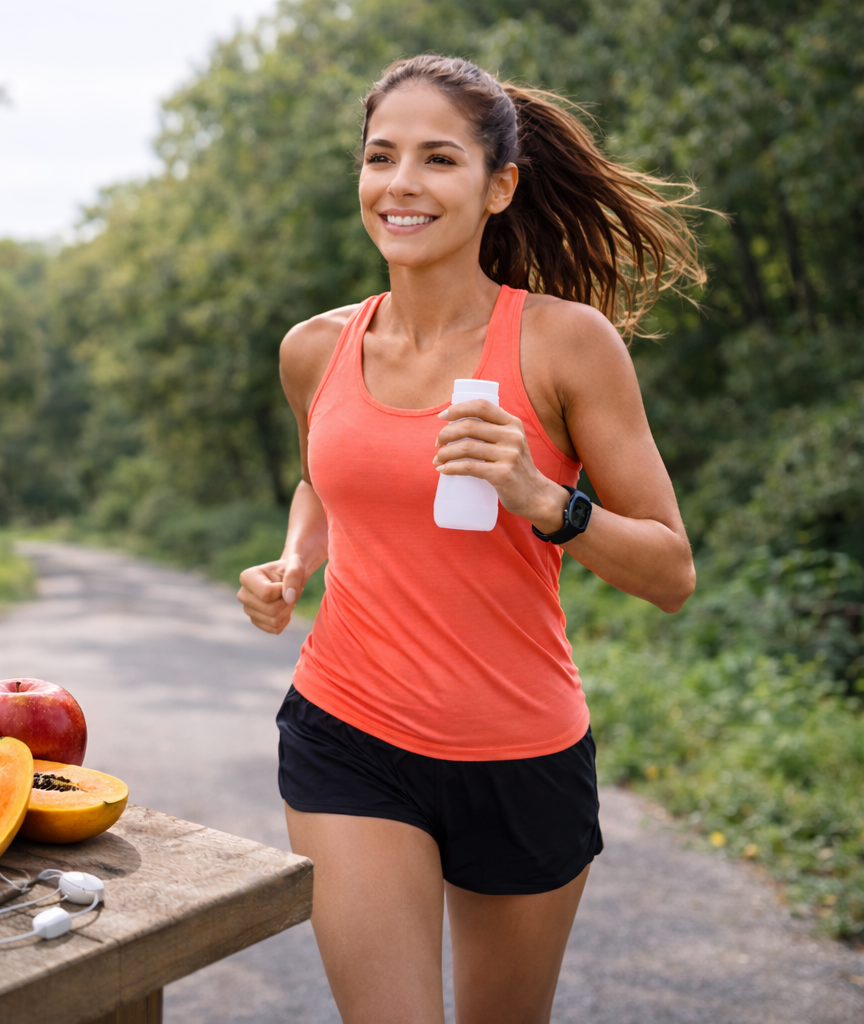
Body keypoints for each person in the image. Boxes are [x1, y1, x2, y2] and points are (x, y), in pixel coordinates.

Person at [236, 55, 705, 1024]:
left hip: (520, 754)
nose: (401, 183)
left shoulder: (565, 344)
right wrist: (295, 557)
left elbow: (671, 571)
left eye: (437, 158)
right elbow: (324, 472)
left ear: (498, 187)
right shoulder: (314, 348)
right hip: (347, 735)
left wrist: (544, 497)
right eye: (381, 156)